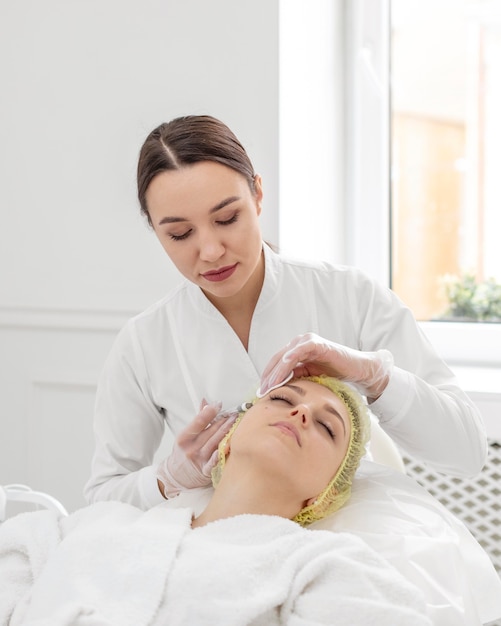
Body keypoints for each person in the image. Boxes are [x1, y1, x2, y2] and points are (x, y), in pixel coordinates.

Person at [84, 114, 487, 511]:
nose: (210, 251)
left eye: (227, 218)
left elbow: (467, 451)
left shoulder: (348, 295)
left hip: (345, 538)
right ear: (155, 230)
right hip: (217, 544)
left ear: (258, 194)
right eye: (179, 234)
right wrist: (168, 478)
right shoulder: (144, 343)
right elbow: (101, 498)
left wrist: (373, 376)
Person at [0, 377, 433, 625]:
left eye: (327, 427)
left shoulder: (323, 564)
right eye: (282, 398)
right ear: (228, 436)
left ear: (326, 493)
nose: (301, 414)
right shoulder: (90, 525)